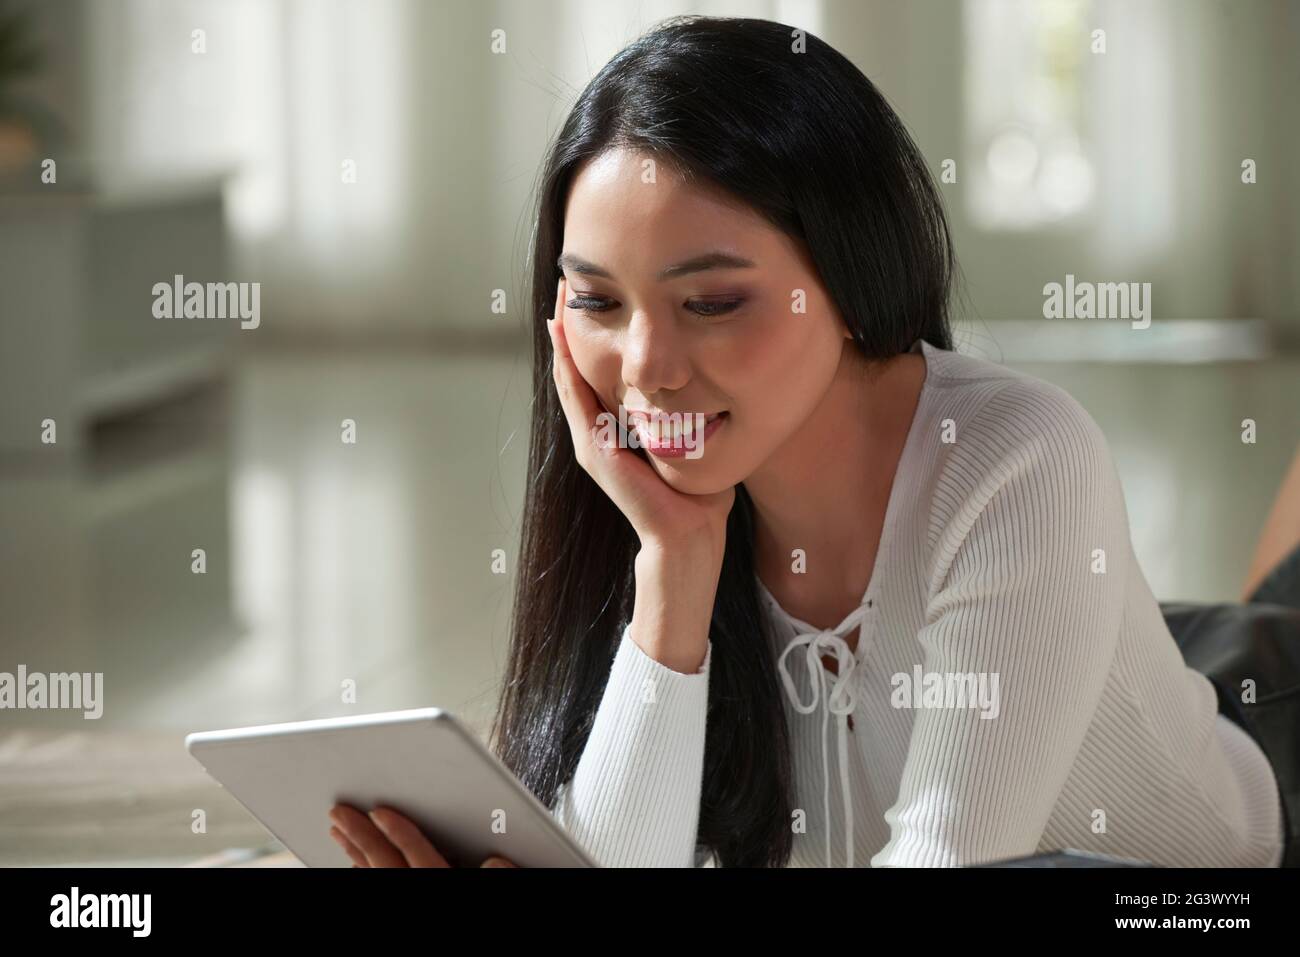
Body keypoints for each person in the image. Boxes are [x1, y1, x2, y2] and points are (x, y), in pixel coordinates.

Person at [326, 14, 1300, 868]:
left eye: (710, 301)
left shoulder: (1019, 457)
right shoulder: (669, 504)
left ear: (846, 272)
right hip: (1092, 644)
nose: (645, 366)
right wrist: (674, 559)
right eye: (595, 301)